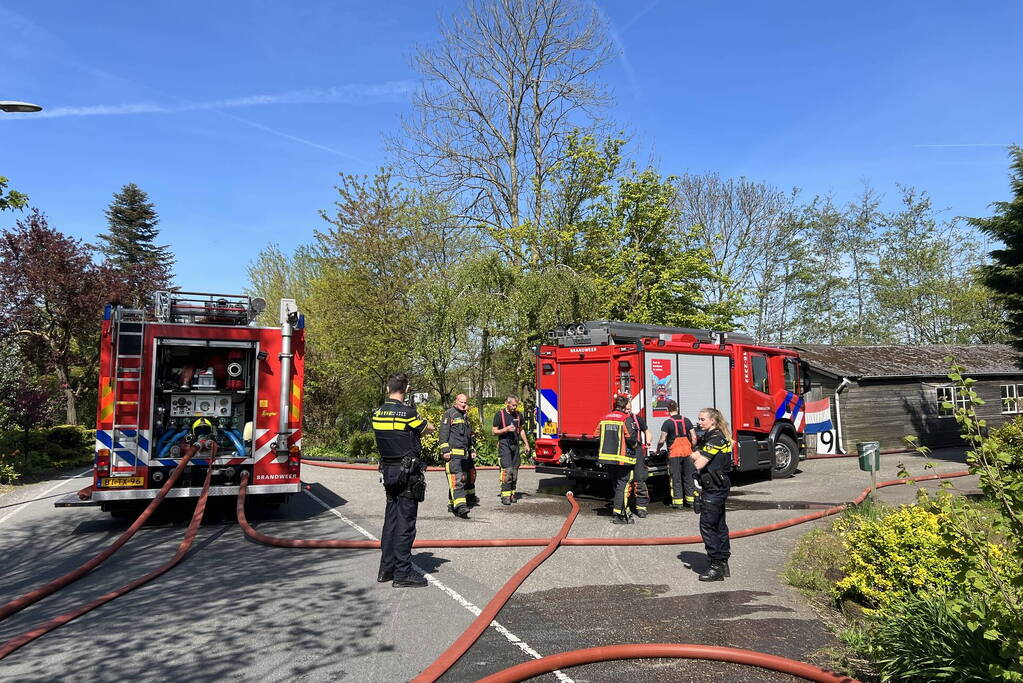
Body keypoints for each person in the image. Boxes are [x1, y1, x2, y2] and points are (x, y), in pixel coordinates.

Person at [373, 372, 434, 588]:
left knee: (391, 519)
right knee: (405, 523)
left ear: (387, 389)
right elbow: (428, 429)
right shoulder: (408, 413)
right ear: (406, 389)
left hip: (388, 472)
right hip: (407, 474)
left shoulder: (377, 413)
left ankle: (386, 568)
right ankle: (402, 573)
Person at [692, 407, 733, 582]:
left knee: (708, 526)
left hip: (714, 489)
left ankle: (716, 566)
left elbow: (699, 463)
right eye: (699, 419)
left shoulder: (715, 438)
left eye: (702, 419)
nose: (699, 422)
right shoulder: (714, 437)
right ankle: (723, 562)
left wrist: (692, 455)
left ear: (713, 421)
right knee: (719, 525)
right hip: (717, 486)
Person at [596, 395, 639, 524]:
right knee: (623, 486)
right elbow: (631, 438)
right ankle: (619, 515)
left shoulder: (603, 418)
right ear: (625, 406)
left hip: (607, 459)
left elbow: (596, 435)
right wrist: (636, 446)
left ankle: (620, 512)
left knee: (617, 486)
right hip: (622, 459)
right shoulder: (626, 419)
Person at [439, 393, 477, 518]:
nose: (464, 404)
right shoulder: (449, 414)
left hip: (464, 455)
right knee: (457, 479)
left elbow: (468, 436)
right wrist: (445, 450)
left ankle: (452, 504)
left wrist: (472, 449)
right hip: (453, 454)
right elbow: (443, 433)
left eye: (465, 402)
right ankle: (461, 507)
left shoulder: (465, 416)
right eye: (461, 402)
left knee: (463, 478)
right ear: (456, 401)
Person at [656, 400, 697, 510]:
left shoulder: (667, 423)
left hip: (674, 453)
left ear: (667, 410)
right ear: (677, 408)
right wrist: (692, 447)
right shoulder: (686, 420)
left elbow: (662, 439)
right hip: (688, 452)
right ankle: (691, 501)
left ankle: (678, 503)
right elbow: (694, 437)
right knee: (689, 477)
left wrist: (658, 449)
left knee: (676, 478)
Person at [492, 395, 531, 505]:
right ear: (507, 403)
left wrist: (526, 444)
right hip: (504, 444)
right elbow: (494, 431)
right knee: (507, 470)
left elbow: (521, 431)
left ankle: (512, 493)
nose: (515, 407)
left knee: (514, 470)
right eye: (513, 405)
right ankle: (505, 495)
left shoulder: (519, 415)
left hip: (515, 444)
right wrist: (506, 429)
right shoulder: (499, 415)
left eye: (516, 405)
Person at [629, 408, 653, 517]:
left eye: (629, 408)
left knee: (639, 478)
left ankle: (641, 507)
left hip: (637, 450)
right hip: (623, 451)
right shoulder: (620, 419)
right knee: (623, 481)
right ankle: (624, 507)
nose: (628, 410)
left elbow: (647, 431)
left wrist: (648, 442)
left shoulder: (636, 418)